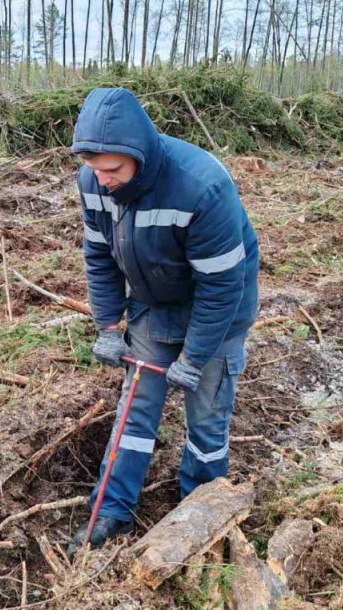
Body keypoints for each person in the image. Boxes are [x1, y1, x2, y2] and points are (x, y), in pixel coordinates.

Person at [66, 87, 259, 554]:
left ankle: (200, 513)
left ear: (140, 155)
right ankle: (112, 510)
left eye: (113, 169)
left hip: (218, 311)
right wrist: (109, 326)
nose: (103, 179)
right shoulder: (94, 182)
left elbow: (221, 285)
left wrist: (194, 358)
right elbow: (99, 255)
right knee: (135, 411)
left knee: (207, 423)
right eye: (96, 168)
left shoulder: (201, 184)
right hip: (153, 305)